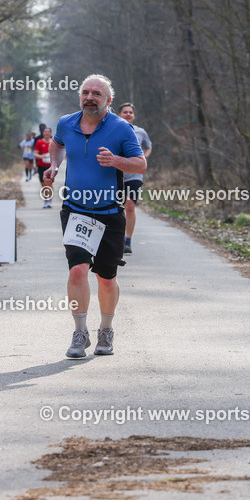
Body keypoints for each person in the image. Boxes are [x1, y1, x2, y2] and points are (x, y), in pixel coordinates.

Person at [44, 75, 146, 358]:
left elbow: (140, 163)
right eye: (85, 92)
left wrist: (116, 161)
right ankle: (80, 332)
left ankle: (105, 329)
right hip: (76, 209)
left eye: (97, 94)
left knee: (105, 278)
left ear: (108, 100)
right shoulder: (67, 123)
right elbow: (57, 144)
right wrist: (54, 166)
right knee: (77, 270)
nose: (90, 97)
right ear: (80, 97)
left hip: (109, 213)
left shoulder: (121, 129)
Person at [116, 103, 152, 254]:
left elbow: (148, 146)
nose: (128, 114)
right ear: (119, 115)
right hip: (115, 173)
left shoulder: (140, 131)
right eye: (125, 112)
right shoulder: (112, 129)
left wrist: (143, 158)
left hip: (134, 175)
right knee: (116, 207)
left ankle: (128, 240)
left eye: (131, 112)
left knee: (129, 205)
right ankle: (116, 239)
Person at [34, 127, 54, 208]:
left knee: (50, 183)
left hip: (51, 166)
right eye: (45, 132)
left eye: (48, 132)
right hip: (41, 166)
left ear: (50, 133)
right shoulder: (39, 142)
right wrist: (41, 156)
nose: (46, 133)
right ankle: (46, 200)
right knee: (43, 184)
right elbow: (35, 154)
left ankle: (50, 200)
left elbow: (58, 153)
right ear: (43, 133)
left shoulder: (53, 142)